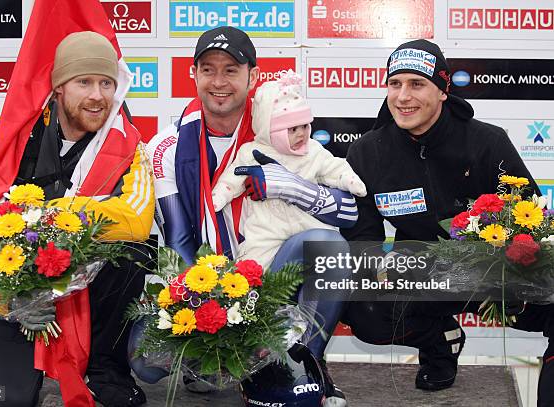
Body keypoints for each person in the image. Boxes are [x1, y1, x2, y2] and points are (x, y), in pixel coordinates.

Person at [144, 26, 358, 406]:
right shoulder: (167, 145)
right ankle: (224, 359)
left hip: (269, 275)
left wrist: (290, 186)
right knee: (144, 361)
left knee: (326, 246)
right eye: (208, 69)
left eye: (231, 70)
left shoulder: (279, 128)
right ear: (192, 74)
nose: (219, 82)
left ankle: (303, 363)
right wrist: (211, 306)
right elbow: (177, 242)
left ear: (253, 76)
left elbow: (349, 212)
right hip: (208, 281)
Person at [0, 31, 154, 407]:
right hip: (14, 296)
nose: (97, 95)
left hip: (86, 295)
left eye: (106, 83)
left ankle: (103, 368)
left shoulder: (127, 145)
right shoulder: (7, 137)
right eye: (84, 82)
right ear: (58, 88)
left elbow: (137, 219)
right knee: (2, 398)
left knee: (134, 250)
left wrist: (52, 215)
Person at [341, 39, 553, 406]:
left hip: (491, 274)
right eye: (395, 84)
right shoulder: (367, 151)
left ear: (442, 91)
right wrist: (375, 267)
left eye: (417, 84)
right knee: (361, 306)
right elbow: (364, 237)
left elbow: (533, 222)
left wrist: (515, 270)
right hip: (424, 271)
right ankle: (439, 344)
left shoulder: (487, 142)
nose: (403, 97)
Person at [211, 70, 366, 268]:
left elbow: (334, 168)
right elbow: (233, 178)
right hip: (266, 229)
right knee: (253, 266)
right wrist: (221, 195)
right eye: (292, 129)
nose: (301, 134)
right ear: (269, 131)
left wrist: (348, 179)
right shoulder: (252, 152)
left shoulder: (313, 150)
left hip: (308, 222)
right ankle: (254, 294)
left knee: (327, 246)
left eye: (304, 126)